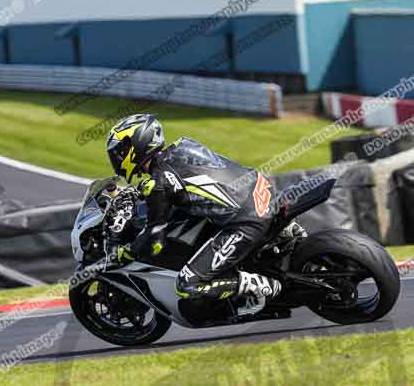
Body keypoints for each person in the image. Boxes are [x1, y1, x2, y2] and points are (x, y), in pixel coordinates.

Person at [105, 114, 306, 315]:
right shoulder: (182, 147)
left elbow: (155, 241)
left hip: (247, 221)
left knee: (187, 284)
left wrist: (127, 252)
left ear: (135, 145)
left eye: (120, 152)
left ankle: (262, 285)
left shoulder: (159, 185)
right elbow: (183, 182)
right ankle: (286, 234)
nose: (118, 158)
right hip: (263, 191)